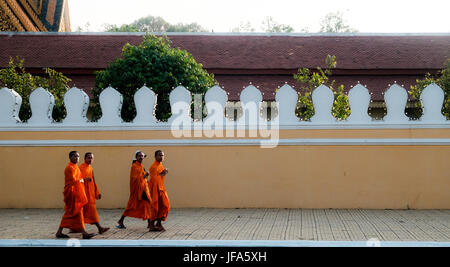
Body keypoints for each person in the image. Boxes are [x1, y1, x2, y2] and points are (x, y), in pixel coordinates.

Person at [56, 151, 95, 239]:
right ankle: (83, 233)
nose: (77, 158)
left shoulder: (76, 167)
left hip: (76, 192)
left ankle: (60, 232)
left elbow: (79, 179)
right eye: (75, 156)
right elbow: (74, 181)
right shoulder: (69, 168)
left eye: (78, 156)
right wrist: (83, 180)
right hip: (72, 193)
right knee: (73, 212)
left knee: (75, 212)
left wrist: (83, 180)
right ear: (70, 157)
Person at [117, 151, 152, 229]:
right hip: (137, 189)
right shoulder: (134, 166)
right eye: (139, 156)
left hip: (143, 188)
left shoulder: (141, 166)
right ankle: (121, 220)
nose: (141, 157)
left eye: (142, 156)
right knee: (133, 205)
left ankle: (149, 223)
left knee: (146, 204)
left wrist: (146, 178)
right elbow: (134, 179)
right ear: (136, 157)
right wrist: (145, 175)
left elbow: (143, 178)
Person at [79, 152, 109, 235]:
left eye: (92, 158)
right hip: (83, 194)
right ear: (84, 158)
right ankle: (100, 228)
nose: (90, 159)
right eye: (88, 158)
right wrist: (85, 180)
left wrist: (97, 192)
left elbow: (93, 181)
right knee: (81, 212)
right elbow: (77, 180)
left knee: (88, 212)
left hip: (90, 194)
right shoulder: (80, 167)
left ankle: (99, 228)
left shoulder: (90, 168)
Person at [148, 150, 170, 232]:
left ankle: (158, 223)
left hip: (161, 188)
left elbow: (160, 178)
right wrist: (162, 173)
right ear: (155, 156)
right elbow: (154, 179)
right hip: (154, 189)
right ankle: (152, 225)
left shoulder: (160, 165)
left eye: (163, 155)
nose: (161, 157)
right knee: (155, 207)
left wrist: (163, 173)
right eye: (160, 155)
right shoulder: (153, 167)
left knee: (165, 205)